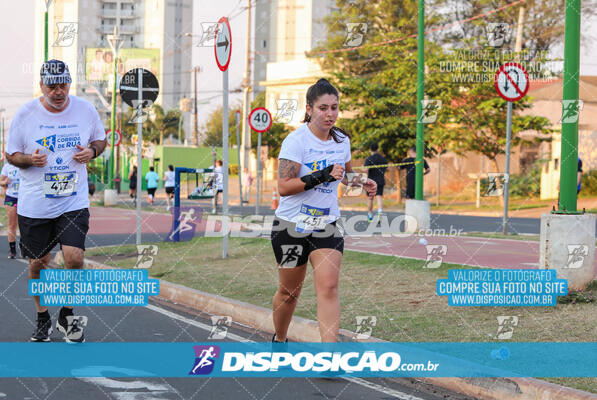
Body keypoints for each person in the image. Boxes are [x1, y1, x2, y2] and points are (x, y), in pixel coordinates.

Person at [6, 59, 106, 342]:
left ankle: (67, 312)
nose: (58, 91)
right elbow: (11, 155)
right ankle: (41, 316)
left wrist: (91, 152)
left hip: (72, 201)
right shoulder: (26, 115)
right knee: (39, 262)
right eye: (52, 86)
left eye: (63, 85)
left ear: (70, 83)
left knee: (74, 258)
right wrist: (29, 159)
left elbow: (101, 140)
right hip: (35, 204)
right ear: (41, 86)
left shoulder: (85, 109)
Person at [271, 78, 377, 343]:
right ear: (309, 109)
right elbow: (284, 186)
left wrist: (362, 182)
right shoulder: (295, 141)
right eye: (323, 108)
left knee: (328, 287)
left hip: (327, 223)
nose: (330, 114)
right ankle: (280, 338)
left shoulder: (342, 140)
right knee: (289, 292)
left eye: (334, 107)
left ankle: (328, 356)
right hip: (291, 226)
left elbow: (344, 175)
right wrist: (321, 175)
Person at [0, 161, 20, 258]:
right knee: (12, 224)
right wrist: (4, 182)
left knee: (25, 224)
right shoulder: (7, 167)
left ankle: (24, 247)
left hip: (25, 198)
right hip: (11, 197)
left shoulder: (25, 166)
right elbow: (1, 181)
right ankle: (12, 251)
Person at [364, 143, 388, 221]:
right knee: (379, 197)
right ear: (377, 149)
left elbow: (365, 169)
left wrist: (362, 168)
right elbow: (387, 169)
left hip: (371, 181)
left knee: (370, 198)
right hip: (380, 180)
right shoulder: (383, 159)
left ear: (370, 149)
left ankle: (370, 215)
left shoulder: (369, 158)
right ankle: (380, 211)